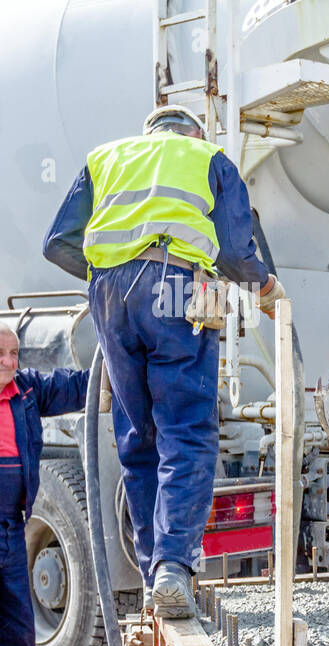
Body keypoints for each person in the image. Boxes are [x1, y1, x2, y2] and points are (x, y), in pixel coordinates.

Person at [43, 105, 282, 619]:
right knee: (186, 429)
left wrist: (110, 277)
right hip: (175, 290)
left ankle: (157, 570)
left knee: (137, 435)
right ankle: (173, 569)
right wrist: (265, 288)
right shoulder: (208, 157)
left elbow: (57, 243)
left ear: (148, 133)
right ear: (194, 133)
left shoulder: (106, 158)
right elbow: (238, 255)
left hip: (109, 296)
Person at [0, 325, 90, 646]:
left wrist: (124, 361)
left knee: (18, 630)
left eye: (15, 354)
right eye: (1, 354)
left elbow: (74, 386)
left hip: (12, 528)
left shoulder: (27, 391)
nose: (10, 363)